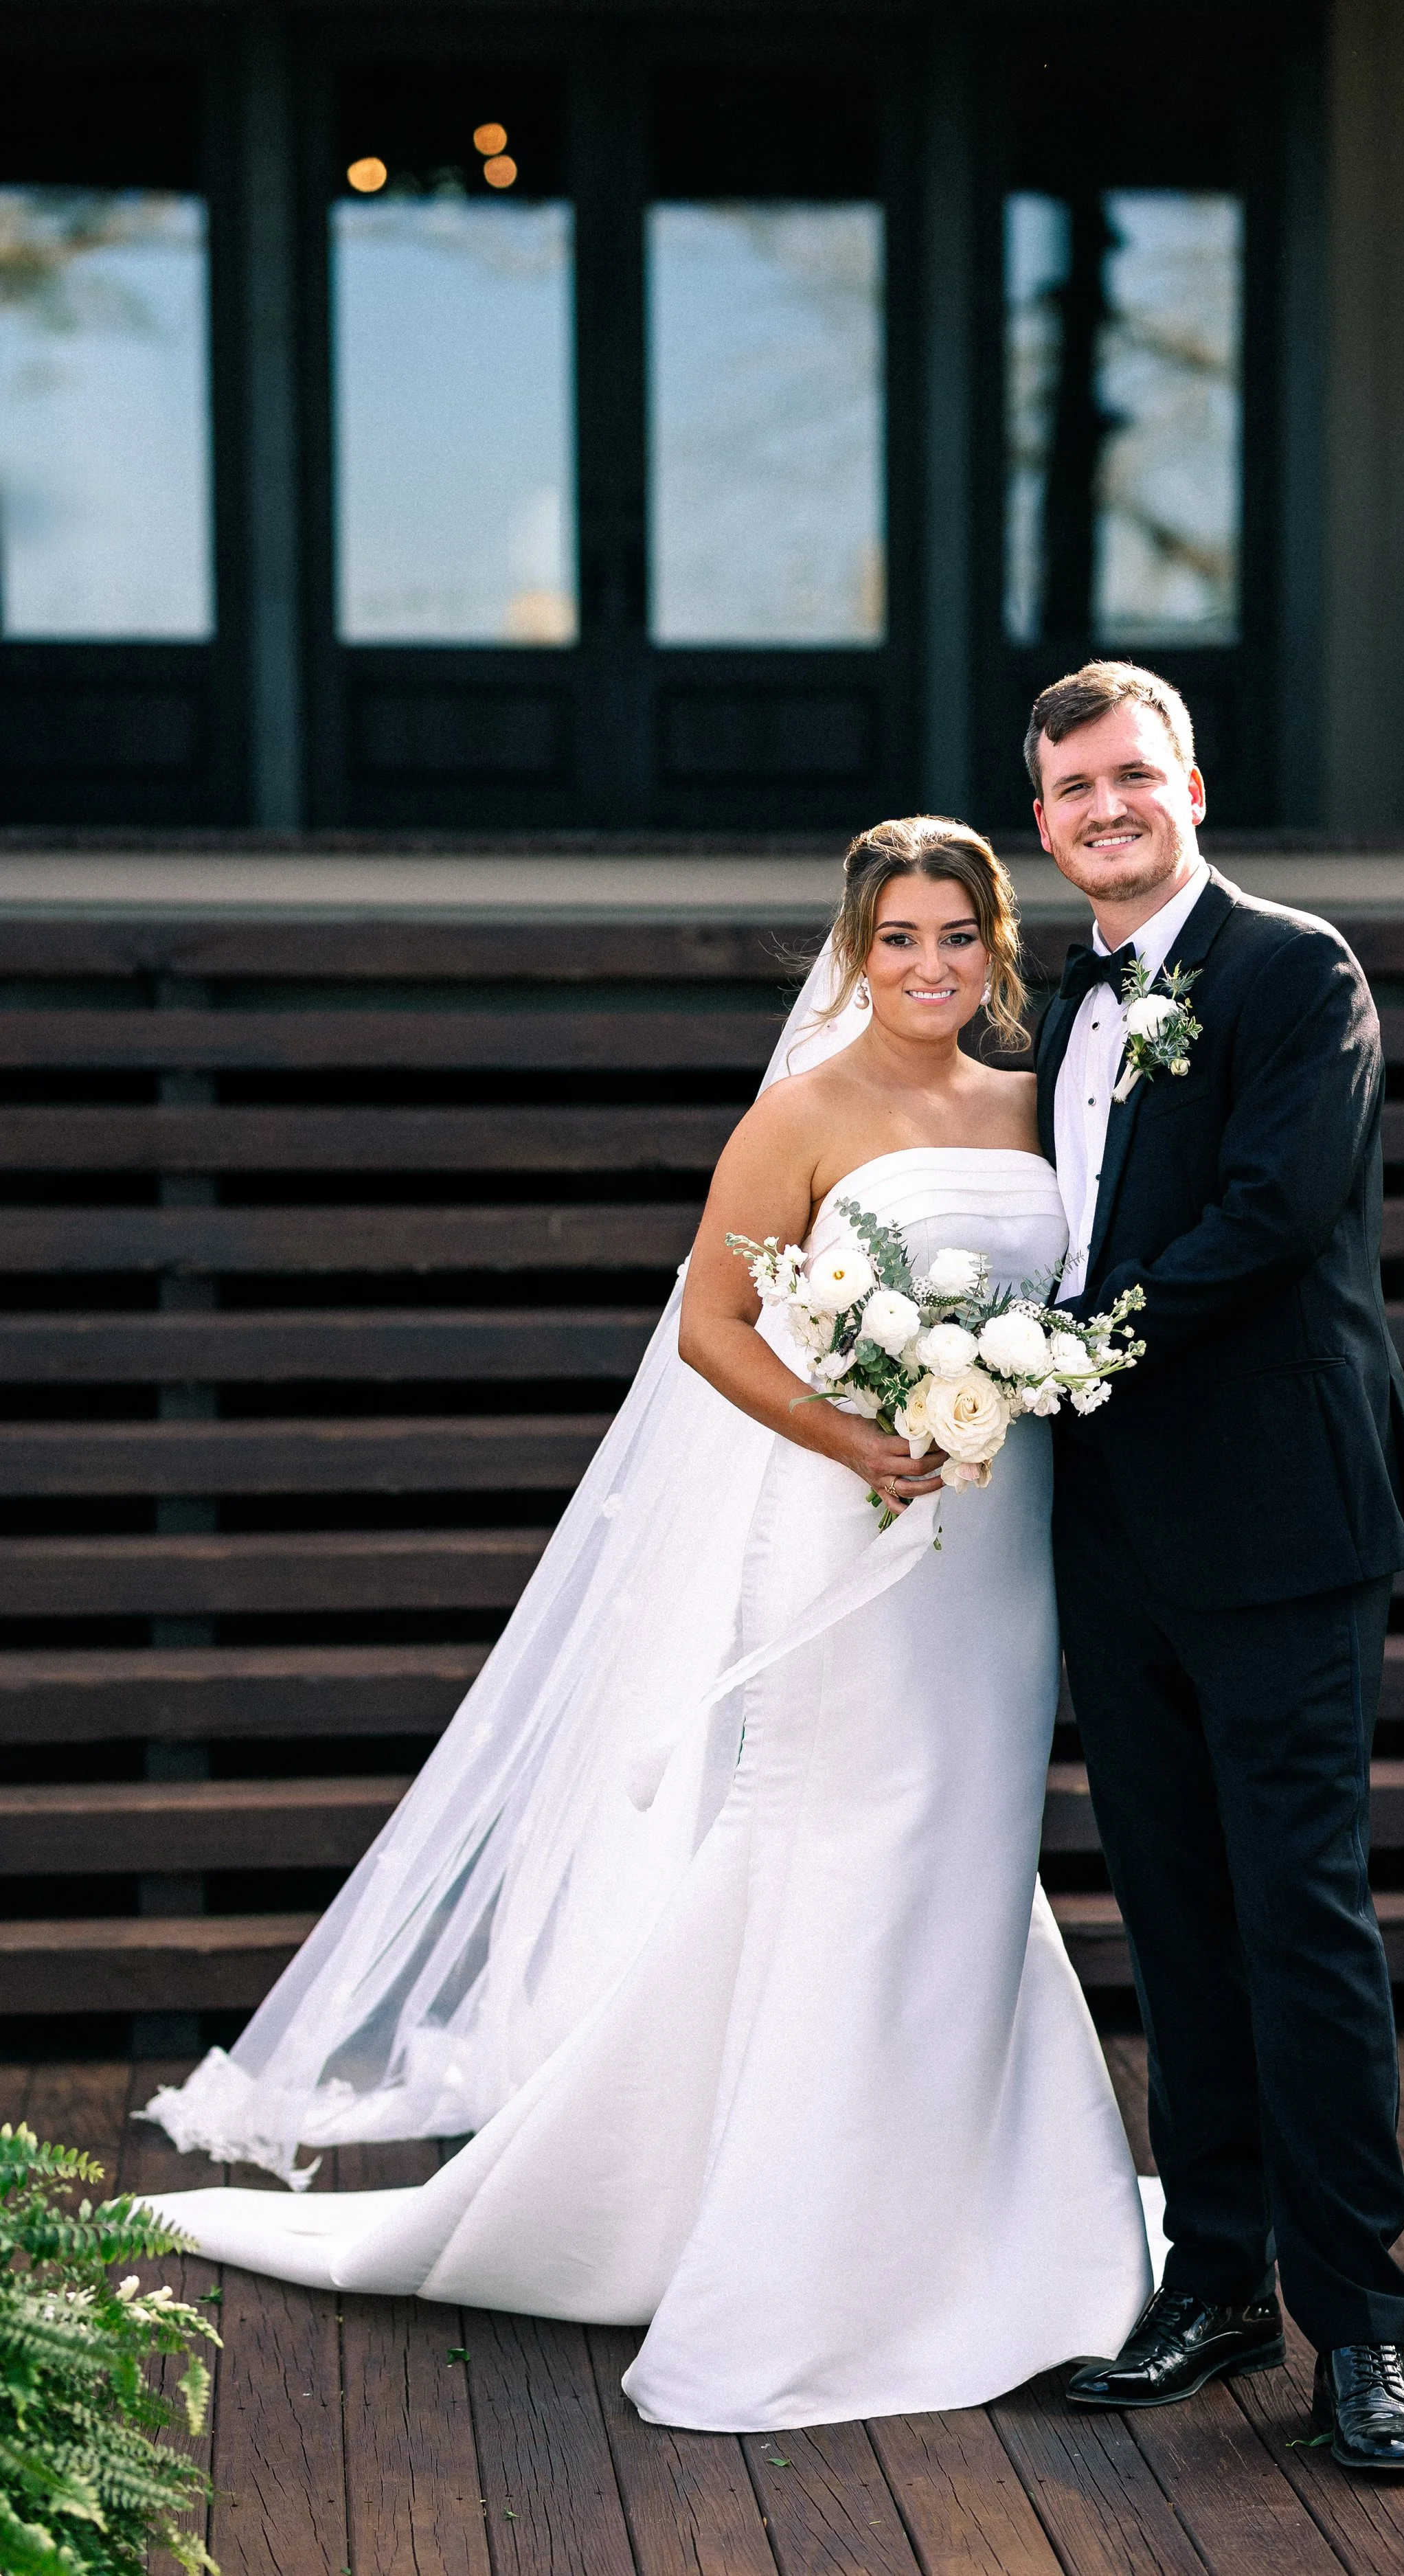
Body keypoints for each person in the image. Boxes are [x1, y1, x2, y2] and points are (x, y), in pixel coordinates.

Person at [139, 816, 1151, 2434]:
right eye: (898, 938)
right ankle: (794, 2238)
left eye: (957, 937)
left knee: (968, 1842)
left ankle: (981, 2214)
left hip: (995, 1537)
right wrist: (855, 1434)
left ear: (996, 950)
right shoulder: (801, 1114)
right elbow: (713, 1325)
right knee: (846, 1835)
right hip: (848, 1522)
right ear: (855, 948)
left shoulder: (1036, 1109)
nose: (929, 967)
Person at [1031, 660, 1404, 2474]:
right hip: (1109, 1529)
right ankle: (1215, 2277)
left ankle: (1359, 2327)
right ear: (1039, 822)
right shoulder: (1061, 997)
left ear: (1190, 784)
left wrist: (1068, 1346)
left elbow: (1272, 1214)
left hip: (1275, 1518)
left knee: (1301, 1921)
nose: (1101, 806)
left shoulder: (1293, 970)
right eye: (1066, 789)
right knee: (1175, 1917)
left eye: (1129, 773)